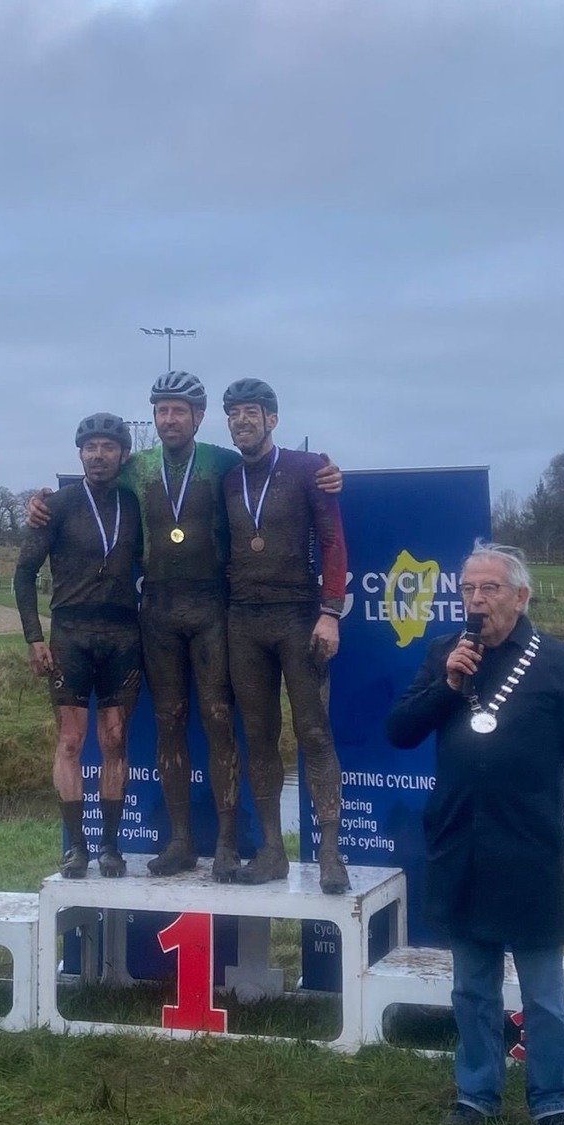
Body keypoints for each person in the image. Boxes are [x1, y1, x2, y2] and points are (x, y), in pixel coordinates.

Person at [29, 372, 340, 879]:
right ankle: (179, 842)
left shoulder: (222, 461)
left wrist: (328, 474)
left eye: (180, 410)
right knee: (170, 722)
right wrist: (41, 500)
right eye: (161, 411)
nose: (170, 419)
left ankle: (224, 843)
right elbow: (95, 482)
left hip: (213, 605)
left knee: (221, 720)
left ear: (198, 417)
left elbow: (276, 471)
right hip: (158, 609)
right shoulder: (136, 467)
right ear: (152, 417)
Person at [386, 542, 564, 1125]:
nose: (476, 600)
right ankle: (477, 1094)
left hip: (531, 845)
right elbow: (400, 731)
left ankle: (552, 1102)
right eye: (467, 589)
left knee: (543, 991)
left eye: (489, 589)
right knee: (471, 986)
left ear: (521, 596)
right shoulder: (445, 655)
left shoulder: (560, 663)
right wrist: (448, 685)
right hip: (461, 841)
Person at [220, 379, 350, 893]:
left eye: (251, 412)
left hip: (299, 616)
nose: (242, 421)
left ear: (273, 419)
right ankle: (272, 851)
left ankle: (330, 854)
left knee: (314, 732)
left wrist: (330, 611)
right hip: (243, 620)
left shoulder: (308, 468)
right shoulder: (227, 479)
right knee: (258, 736)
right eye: (233, 414)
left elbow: (334, 540)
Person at [13, 413, 142, 879]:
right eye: (90, 447)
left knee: (114, 739)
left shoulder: (137, 503)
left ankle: (110, 845)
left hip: (124, 635)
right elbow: (23, 573)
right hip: (70, 635)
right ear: (80, 454)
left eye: (109, 447)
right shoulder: (56, 506)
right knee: (70, 741)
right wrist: (33, 637)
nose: (99, 455)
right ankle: (77, 848)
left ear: (123, 454)